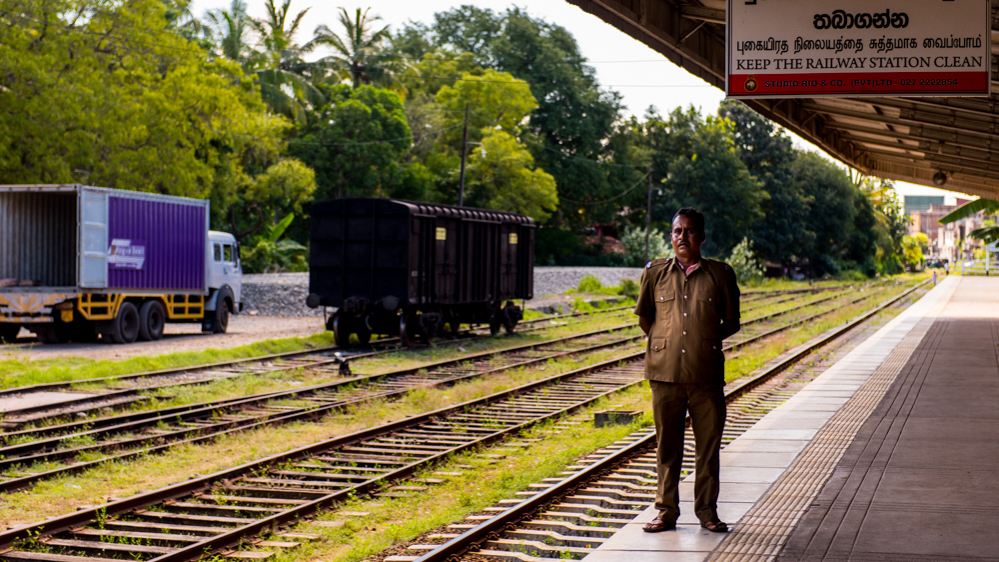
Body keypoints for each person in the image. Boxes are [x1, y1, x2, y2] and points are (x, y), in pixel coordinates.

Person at [633, 207, 741, 534]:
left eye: (690, 231)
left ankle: (707, 512)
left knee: (708, 448)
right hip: (664, 377)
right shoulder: (654, 273)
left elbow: (732, 322)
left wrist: (703, 340)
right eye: (678, 231)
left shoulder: (720, 275)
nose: (683, 237)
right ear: (671, 236)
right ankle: (665, 512)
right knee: (668, 447)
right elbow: (645, 318)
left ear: (702, 237)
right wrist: (666, 343)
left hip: (705, 377)